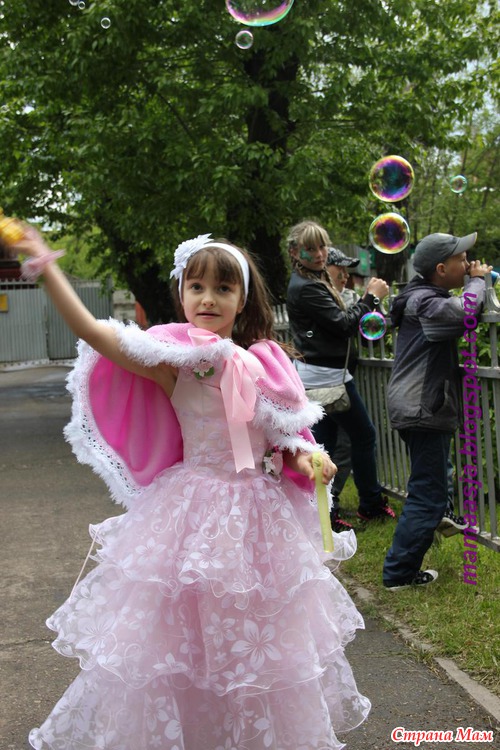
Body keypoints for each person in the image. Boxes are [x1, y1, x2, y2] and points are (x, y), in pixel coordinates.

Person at [11, 226, 371, 750]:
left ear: (242, 299)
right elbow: (91, 330)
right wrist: (45, 265)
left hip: (257, 520)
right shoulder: (171, 362)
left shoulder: (265, 362)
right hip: (189, 515)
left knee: (254, 639)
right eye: (196, 287)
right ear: (181, 293)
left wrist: (309, 459)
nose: (208, 299)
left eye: (223, 288)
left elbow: (283, 439)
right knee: (178, 638)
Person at [383, 231, 492, 590]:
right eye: (461, 259)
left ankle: (438, 517)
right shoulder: (424, 302)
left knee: (431, 482)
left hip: (419, 405)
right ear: (442, 269)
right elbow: (464, 313)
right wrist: (477, 282)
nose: (468, 262)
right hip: (422, 406)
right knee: (426, 495)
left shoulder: (421, 296)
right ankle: (398, 574)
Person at [286, 220, 396, 533]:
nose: (320, 254)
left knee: (324, 446)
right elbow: (344, 324)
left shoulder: (312, 278)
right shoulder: (306, 287)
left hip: (323, 374)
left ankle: (325, 512)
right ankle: (370, 504)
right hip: (327, 378)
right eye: (311, 248)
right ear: (294, 252)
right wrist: (371, 296)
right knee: (364, 435)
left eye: (322, 246)